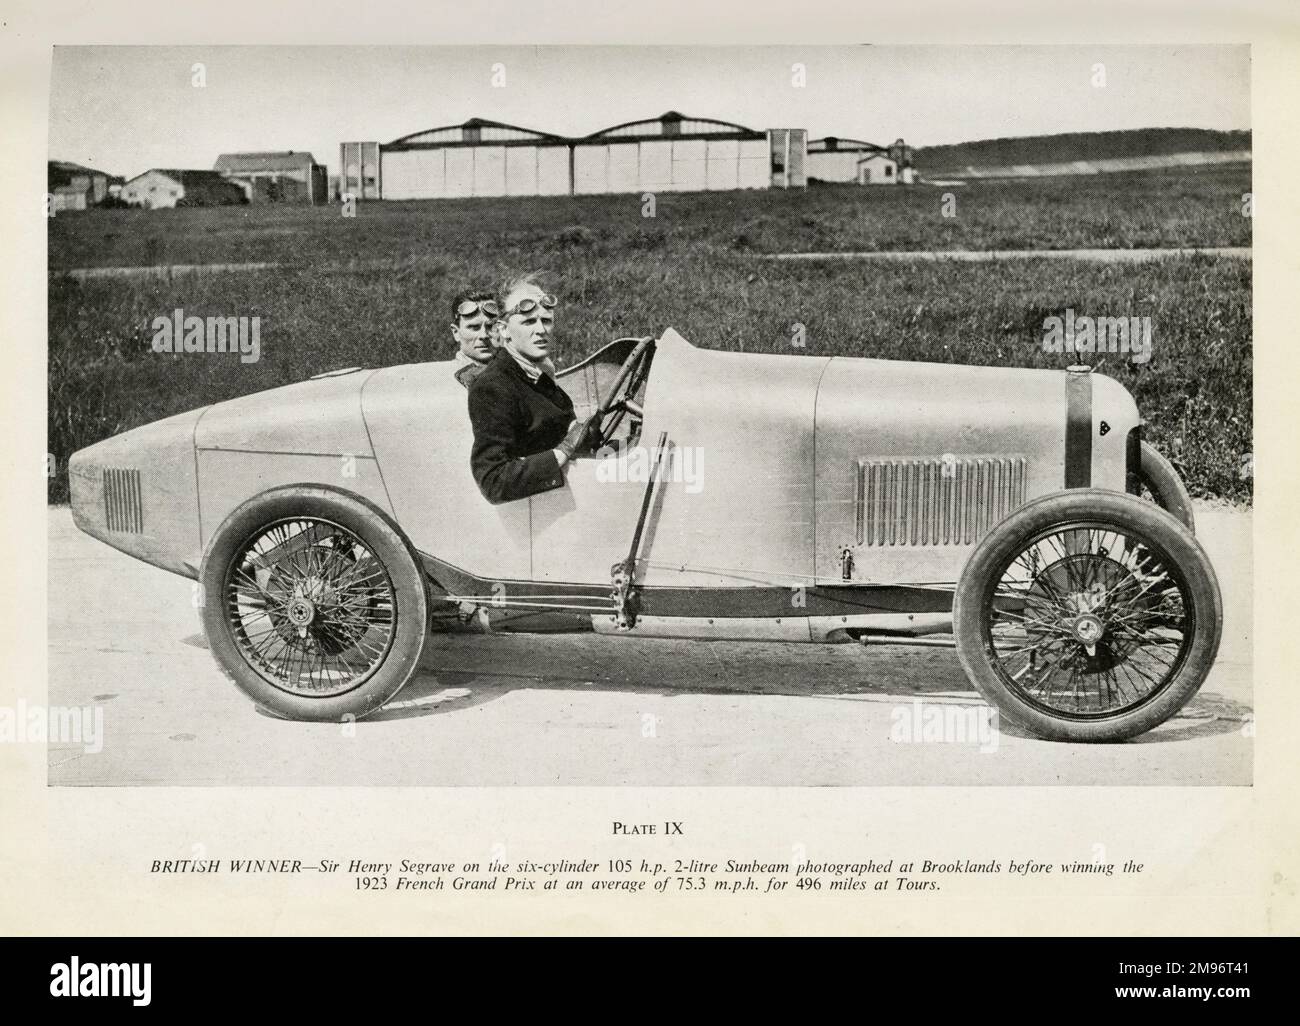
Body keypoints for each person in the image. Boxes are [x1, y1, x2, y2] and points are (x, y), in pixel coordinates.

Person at [466, 275, 598, 504]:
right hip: (543, 516)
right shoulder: (493, 387)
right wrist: (564, 450)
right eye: (529, 322)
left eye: (546, 320)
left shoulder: (536, 374)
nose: (541, 330)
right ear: (503, 330)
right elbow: (493, 482)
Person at [449, 289, 501, 387]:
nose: (484, 335)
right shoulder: (443, 376)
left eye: (491, 326)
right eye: (474, 327)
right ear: (456, 332)